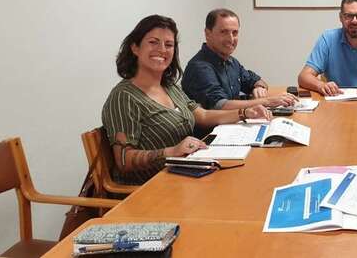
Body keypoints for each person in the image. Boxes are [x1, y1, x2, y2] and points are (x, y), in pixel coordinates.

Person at [102, 15, 271, 185]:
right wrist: (171, 152)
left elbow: (202, 116)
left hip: (186, 175)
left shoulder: (169, 87)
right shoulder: (124, 97)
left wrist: (245, 113)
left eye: (169, 45)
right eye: (153, 42)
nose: (162, 49)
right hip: (152, 189)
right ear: (135, 48)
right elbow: (123, 160)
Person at [182, 8, 297, 110]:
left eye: (235, 33)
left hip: (233, 125)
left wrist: (259, 87)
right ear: (208, 34)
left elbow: (255, 80)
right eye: (224, 32)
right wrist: (267, 102)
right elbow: (221, 106)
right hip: (212, 132)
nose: (231, 39)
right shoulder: (200, 67)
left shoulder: (231, 62)